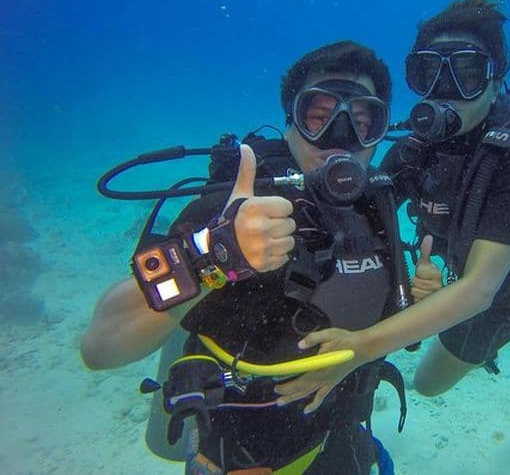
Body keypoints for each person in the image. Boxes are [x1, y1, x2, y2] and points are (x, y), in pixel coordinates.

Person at [273, 0, 510, 474]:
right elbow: (356, 209)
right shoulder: (416, 150)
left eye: (465, 72)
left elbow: (480, 288)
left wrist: (361, 348)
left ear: (495, 81)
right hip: (488, 303)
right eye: (429, 73)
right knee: (426, 384)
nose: (444, 90)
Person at [81, 40, 407, 474]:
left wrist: (416, 294)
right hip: (243, 459)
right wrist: (216, 254)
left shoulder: (372, 204)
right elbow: (101, 346)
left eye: (363, 122)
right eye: (318, 117)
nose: (340, 139)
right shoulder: (231, 206)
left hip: (337, 435)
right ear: (290, 123)